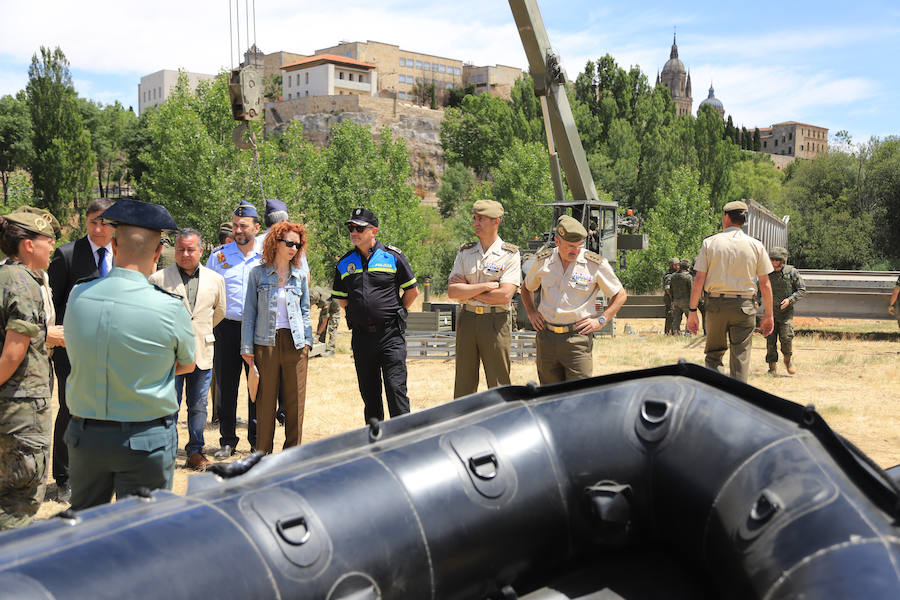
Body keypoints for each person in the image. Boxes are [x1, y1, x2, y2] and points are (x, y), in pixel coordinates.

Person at [63, 199, 195, 510]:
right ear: (157, 254)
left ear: (113, 245)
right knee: (144, 539)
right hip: (145, 440)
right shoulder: (169, 306)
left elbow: (77, 348)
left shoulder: (79, 295)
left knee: (83, 532)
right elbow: (187, 363)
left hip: (86, 437)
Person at [47, 197, 116, 504]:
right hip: (72, 349)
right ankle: (63, 477)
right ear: (85, 223)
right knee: (71, 408)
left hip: (112, 348)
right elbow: (53, 303)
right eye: (93, 222)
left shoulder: (123, 254)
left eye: (104, 222)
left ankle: (99, 469)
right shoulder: (67, 254)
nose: (99, 228)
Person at [0, 207, 61, 530]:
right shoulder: (22, 282)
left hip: (12, 409)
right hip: (20, 412)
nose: (52, 246)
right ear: (28, 244)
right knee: (17, 505)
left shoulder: (4, 276)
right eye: (47, 240)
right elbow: (13, 353)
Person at [331, 208, 418, 423]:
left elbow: (412, 291)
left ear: (374, 231)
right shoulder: (344, 263)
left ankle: (403, 443)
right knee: (370, 396)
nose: (354, 232)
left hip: (390, 335)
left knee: (395, 390)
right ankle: (375, 443)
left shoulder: (392, 257)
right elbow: (342, 299)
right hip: (361, 338)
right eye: (351, 228)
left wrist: (396, 312)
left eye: (360, 228)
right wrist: (361, 314)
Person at [149, 229, 226, 469]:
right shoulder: (158, 280)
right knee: (169, 404)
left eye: (190, 249)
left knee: (198, 405)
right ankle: (167, 452)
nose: (185, 254)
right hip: (170, 355)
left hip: (202, 352)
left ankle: (195, 451)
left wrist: (199, 333)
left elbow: (219, 312)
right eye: (180, 249)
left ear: (201, 250)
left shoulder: (216, 279)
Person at [522, 215, 627, 384]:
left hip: (577, 340)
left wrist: (601, 320)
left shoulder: (594, 264)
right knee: (549, 397)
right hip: (546, 339)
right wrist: (532, 312)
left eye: (579, 246)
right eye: (570, 246)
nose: (575, 251)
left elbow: (620, 295)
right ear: (557, 241)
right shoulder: (543, 260)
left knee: (579, 397)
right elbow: (526, 288)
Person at [241, 221, 312, 453]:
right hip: (265, 344)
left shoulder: (300, 275)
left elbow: (305, 311)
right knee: (265, 405)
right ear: (276, 242)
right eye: (289, 243)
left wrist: (308, 343)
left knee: (295, 406)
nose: (293, 248)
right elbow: (249, 312)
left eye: (297, 245)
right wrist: (247, 348)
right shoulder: (258, 274)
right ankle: (262, 457)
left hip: (296, 344)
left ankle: (292, 457)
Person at [687, 200, 774, 382]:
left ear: (726, 217)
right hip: (745, 306)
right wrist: (769, 315)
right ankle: (738, 398)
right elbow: (765, 284)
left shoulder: (710, 243)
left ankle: (716, 396)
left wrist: (692, 311)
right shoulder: (756, 246)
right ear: (744, 219)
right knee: (740, 356)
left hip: (716, 306)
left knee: (713, 355)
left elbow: (699, 281)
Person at [447, 199, 520, 398]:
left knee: (498, 382)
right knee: (464, 383)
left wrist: (469, 289)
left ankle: (501, 424)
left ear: (496, 221)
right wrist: (485, 287)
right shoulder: (465, 252)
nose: (475, 223)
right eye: (474, 218)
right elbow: (453, 292)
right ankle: (463, 425)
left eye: (481, 219)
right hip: (467, 319)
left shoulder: (510, 254)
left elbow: (504, 295)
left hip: (496, 322)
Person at [206, 201, 262, 459]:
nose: (239, 230)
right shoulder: (219, 257)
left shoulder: (267, 256)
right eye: (236, 225)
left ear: (256, 228)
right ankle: (227, 440)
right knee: (226, 386)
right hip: (226, 329)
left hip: (257, 330)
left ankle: (256, 440)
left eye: (244, 226)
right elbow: (208, 293)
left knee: (257, 386)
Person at [764, 247, 806, 375]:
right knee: (770, 340)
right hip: (770, 313)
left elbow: (801, 290)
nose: (774, 262)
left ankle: (787, 360)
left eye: (777, 260)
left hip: (786, 313)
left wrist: (789, 300)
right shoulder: (765, 273)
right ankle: (772, 367)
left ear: (782, 260)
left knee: (786, 337)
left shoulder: (791, 272)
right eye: (772, 259)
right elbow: (760, 290)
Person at [309, 286, 340, 356]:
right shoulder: (313, 292)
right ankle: (320, 346)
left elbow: (324, 322)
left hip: (334, 308)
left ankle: (330, 349)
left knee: (332, 327)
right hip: (326, 303)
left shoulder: (324, 302)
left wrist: (317, 335)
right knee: (320, 324)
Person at [668, 259, 693, 334]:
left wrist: (672, 299)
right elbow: (691, 290)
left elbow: (670, 289)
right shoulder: (688, 277)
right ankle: (688, 333)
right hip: (686, 301)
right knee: (689, 317)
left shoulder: (673, 276)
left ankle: (676, 332)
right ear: (687, 267)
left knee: (676, 319)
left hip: (676, 300)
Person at [663, 257, 679, 334]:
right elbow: (667, 289)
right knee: (670, 315)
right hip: (670, 299)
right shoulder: (669, 276)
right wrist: (672, 298)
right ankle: (668, 332)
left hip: (675, 298)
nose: (677, 267)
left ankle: (674, 331)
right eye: (675, 265)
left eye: (678, 265)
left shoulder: (676, 274)